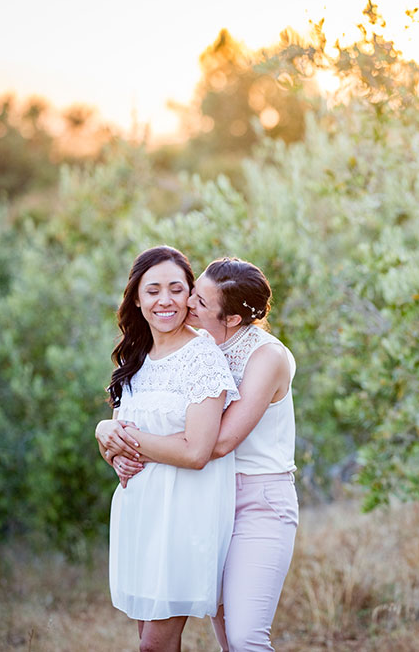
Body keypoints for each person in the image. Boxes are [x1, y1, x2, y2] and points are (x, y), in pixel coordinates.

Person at [99, 257, 299, 652]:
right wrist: (107, 432)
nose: (187, 303)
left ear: (233, 320)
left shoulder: (267, 357)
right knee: (226, 637)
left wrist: (127, 437)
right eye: (194, 292)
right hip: (205, 497)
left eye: (200, 302)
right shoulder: (194, 343)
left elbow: (215, 444)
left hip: (257, 500)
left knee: (245, 637)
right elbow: (154, 410)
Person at [95, 245, 240, 652]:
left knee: (154, 646)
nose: (165, 300)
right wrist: (107, 440)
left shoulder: (202, 358)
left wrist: (118, 437)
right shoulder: (137, 358)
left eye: (176, 289)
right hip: (141, 513)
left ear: (190, 295)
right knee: (151, 641)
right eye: (153, 290)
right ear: (136, 299)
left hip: (184, 514)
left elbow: (197, 451)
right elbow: (123, 437)